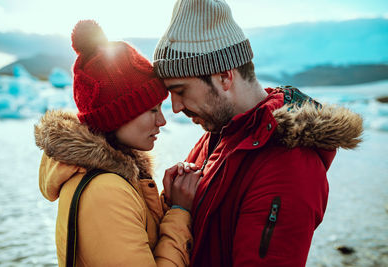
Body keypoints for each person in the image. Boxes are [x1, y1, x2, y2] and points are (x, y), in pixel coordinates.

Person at [153, 0, 364, 266]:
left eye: (181, 90)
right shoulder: (218, 135)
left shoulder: (288, 164)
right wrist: (174, 205)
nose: (175, 107)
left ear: (224, 77)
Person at [35, 20, 201, 266]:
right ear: (119, 115)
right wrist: (180, 212)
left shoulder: (106, 177)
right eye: (152, 110)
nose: (163, 121)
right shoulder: (106, 192)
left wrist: (167, 200)